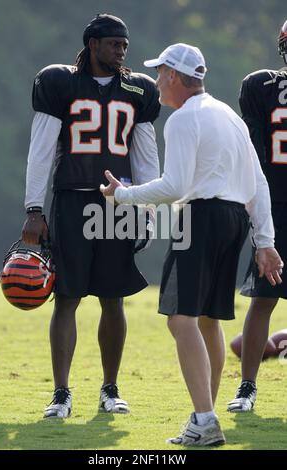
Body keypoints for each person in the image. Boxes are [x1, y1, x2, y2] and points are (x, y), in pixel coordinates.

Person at [100, 43, 283, 446]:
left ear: (175, 76)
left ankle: (203, 419)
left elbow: (176, 186)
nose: (158, 81)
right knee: (207, 321)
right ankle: (206, 416)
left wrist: (123, 194)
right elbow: (259, 184)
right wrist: (264, 240)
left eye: (161, 72)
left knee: (180, 320)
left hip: (201, 219)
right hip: (234, 220)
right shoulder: (229, 116)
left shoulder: (182, 120)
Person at [21, 13, 160, 418]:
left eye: (125, 46)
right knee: (66, 297)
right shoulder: (59, 82)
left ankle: (110, 388)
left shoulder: (138, 89)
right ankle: (61, 392)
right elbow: (42, 148)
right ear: (92, 44)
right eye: (114, 44)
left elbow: (146, 156)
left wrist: (147, 208)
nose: (121, 52)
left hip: (118, 205)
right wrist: (34, 207)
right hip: (71, 201)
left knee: (113, 299)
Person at [227, 21, 287, 412]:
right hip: (275, 205)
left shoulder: (263, 86)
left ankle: (246, 389)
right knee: (263, 298)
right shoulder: (261, 86)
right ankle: (247, 386)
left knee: (263, 300)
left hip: (273, 203)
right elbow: (253, 155)